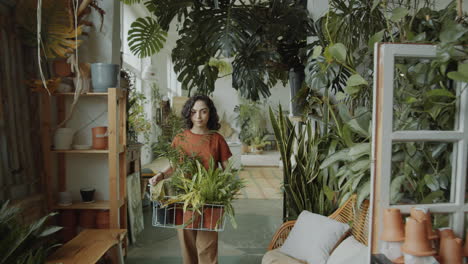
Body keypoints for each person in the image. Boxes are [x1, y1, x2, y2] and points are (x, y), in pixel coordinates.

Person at [149, 95, 232, 264]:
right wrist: (161, 175)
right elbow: (174, 165)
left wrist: (226, 186)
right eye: (194, 112)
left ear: (210, 113)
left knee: (207, 246)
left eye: (203, 111)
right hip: (184, 198)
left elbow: (227, 168)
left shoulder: (217, 139)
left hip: (209, 199)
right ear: (189, 114)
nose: (198, 116)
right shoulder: (181, 138)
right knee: (187, 245)